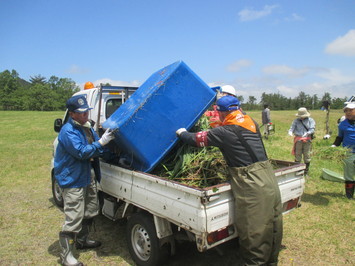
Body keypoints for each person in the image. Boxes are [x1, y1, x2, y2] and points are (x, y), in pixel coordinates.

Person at [176, 95, 283, 265]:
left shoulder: (225, 133)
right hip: (268, 177)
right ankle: (271, 261)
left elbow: (195, 140)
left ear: (222, 113)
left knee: (253, 230)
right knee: (273, 224)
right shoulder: (250, 122)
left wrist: (182, 133)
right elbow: (230, 130)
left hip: (251, 182)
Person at [54, 95, 115, 266]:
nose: (85, 115)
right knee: (73, 216)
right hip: (73, 178)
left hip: (87, 175)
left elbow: (97, 148)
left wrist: (113, 156)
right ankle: (66, 256)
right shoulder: (68, 131)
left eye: (86, 112)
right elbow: (81, 152)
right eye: (81, 113)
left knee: (90, 210)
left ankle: (82, 240)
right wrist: (101, 143)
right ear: (72, 114)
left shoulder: (87, 127)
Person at [331, 102, 355, 199]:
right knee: (349, 174)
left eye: (351, 110)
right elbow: (339, 137)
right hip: (348, 153)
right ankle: (349, 195)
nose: (348, 113)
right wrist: (333, 146)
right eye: (346, 111)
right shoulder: (342, 124)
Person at [288, 107, 316, 175]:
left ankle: (306, 171)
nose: (302, 118)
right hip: (298, 140)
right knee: (298, 155)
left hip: (307, 140)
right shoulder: (296, 121)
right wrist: (290, 132)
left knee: (307, 155)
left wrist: (307, 133)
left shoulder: (311, 120)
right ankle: (297, 171)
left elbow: (312, 129)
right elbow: (292, 128)